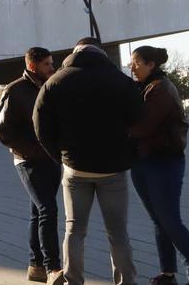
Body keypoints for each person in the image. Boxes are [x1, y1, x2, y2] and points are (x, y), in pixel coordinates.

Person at [34, 37, 142, 285]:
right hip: (113, 169)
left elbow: (40, 126)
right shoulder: (121, 81)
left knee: (74, 230)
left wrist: (60, 156)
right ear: (100, 52)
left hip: (75, 169)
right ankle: (126, 281)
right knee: (118, 233)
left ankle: (73, 281)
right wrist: (129, 155)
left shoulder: (55, 81)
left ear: (75, 52)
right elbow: (140, 121)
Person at [128, 46, 189, 285]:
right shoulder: (144, 86)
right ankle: (168, 273)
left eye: (137, 63)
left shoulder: (161, 88)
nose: (132, 67)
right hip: (143, 160)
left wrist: (117, 127)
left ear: (151, 65)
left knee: (170, 220)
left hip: (163, 161)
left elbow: (143, 126)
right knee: (159, 220)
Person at [0, 47, 62, 283]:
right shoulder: (15, 90)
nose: (52, 68)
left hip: (52, 159)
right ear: (32, 66)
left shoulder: (52, 86)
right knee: (48, 210)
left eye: (52, 63)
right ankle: (53, 267)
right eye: (47, 64)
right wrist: (30, 151)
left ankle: (36, 266)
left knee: (38, 211)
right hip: (29, 161)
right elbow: (3, 130)